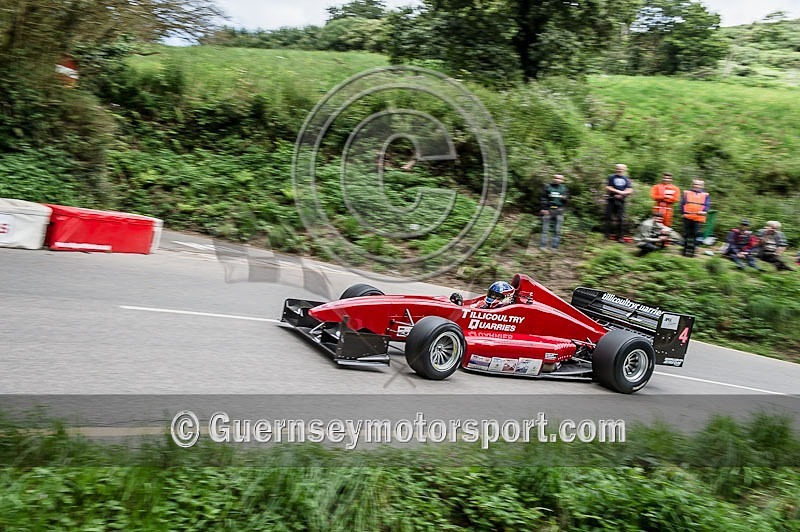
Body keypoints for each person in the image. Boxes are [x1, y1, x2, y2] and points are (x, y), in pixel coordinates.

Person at [680, 178, 710, 258]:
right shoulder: (687, 193)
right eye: (695, 184)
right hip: (687, 216)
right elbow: (682, 203)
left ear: (702, 186)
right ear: (692, 184)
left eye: (699, 184)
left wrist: (705, 211)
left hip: (698, 217)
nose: (697, 186)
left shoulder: (705, 195)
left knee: (695, 235)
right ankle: (684, 251)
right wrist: (682, 213)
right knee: (686, 234)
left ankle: (692, 252)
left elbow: (707, 205)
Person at [605, 163, 633, 241]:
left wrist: (622, 194)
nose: (619, 170)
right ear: (615, 169)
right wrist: (617, 192)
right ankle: (606, 235)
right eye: (617, 168)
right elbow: (608, 187)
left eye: (621, 168)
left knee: (620, 219)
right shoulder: (611, 177)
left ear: (624, 170)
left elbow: (630, 189)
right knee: (608, 217)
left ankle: (620, 237)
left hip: (621, 200)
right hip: (611, 199)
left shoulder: (627, 179)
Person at [540, 174, 568, 250]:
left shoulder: (564, 188)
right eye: (556, 178)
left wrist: (565, 198)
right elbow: (543, 198)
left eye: (560, 179)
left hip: (559, 211)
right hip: (548, 209)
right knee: (545, 229)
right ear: (553, 178)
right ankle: (543, 246)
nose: (557, 180)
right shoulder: (548, 187)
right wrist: (544, 209)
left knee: (557, 230)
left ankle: (554, 247)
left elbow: (566, 200)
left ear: (562, 181)